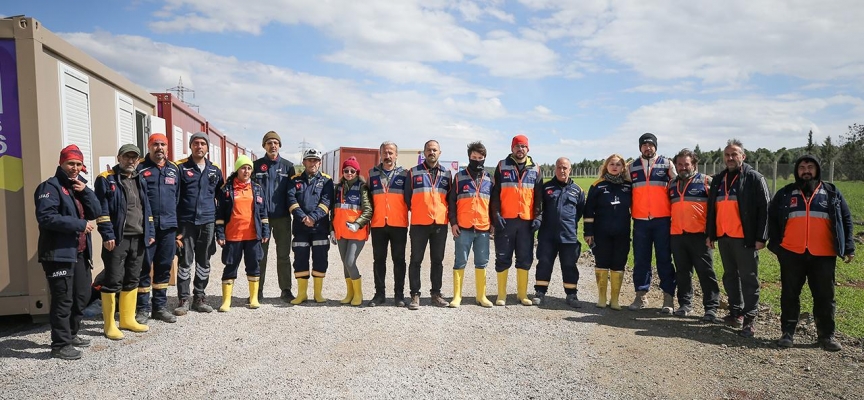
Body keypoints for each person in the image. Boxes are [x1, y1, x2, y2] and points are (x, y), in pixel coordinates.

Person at [768, 154, 855, 351]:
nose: (806, 171)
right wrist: (777, 246)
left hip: (823, 254)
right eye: (802, 168)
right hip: (791, 253)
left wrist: (849, 246)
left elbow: (846, 219)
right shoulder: (785, 193)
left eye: (810, 167)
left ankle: (826, 336)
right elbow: (771, 218)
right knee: (789, 295)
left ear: (817, 170)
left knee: (825, 296)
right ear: (796, 171)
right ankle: (787, 333)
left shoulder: (832, 193)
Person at [34, 145, 101, 359]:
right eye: (70, 163)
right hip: (58, 254)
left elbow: (97, 212)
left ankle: (71, 334)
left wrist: (87, 191)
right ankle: (60, 345)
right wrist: (79, 224)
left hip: (79, 253)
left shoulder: (77, 187)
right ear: (61, 163)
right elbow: (46, 217)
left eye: (78, 164)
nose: (74, 168)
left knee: (82, 295)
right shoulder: (50, 187)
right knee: (63, 299)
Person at [706, 139, 770, 338]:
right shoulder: (719, 179)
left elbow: (765, 209)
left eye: (734, 154)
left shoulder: (754, 178)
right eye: (727, 155)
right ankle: (736, 312)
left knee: (749, 279)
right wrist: (711, 234)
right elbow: (711, 209)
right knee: (730, 276)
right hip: (724, 237)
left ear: (743, 156)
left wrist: (762, 237)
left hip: (745, 238)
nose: (730, 158)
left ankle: (750, 319)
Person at [95, 144, 155, 340]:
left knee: (133, 278)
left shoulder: (140, 178)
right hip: (117, 239)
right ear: (119, 157)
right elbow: (102, 210)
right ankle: (109, 324)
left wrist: (150, 231)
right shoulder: (106, 179)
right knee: (113, 280)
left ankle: (128, 319)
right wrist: (107, 235)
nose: (131, 161)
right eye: (127, 157)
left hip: (139, 237)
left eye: (134, 158)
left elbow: (147, 208)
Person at [668, 149, 721, 322]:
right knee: (682, 272)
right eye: (680, 164)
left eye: (687, 164)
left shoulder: (707, 181)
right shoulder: (672, 184)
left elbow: (716, 211)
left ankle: (711, 308)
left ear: (694, 164)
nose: (683, 167)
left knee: (706, 272)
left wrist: (711, 234)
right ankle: (685, 304)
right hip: (677, 235)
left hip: (700, 236)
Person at [174, 132, 224, 316]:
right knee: (185, 261)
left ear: (207, 147)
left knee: (204, 261)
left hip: (208, 222)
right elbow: (174, 196)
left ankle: (199, 297)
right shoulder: (180, 168)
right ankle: (184, 299)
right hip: (186, 223)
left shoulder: (215, 170)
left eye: (203, 143)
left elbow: (221, 197)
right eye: (196, 143)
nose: (199, 146)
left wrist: (221, 227)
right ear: (190, 146)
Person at [490, 134, 541, 306]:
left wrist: (538, 216)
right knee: (503, 257)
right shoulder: (502, 166)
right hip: (506, 221)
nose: (520, 149)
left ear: (528, 149)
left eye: (523, 146)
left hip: (526, 222)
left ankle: (522, 294)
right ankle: (502, 295)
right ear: (512, 149)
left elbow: (539, 197)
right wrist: (496, 214)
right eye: (517, 146)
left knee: (525, 257)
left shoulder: (536, 169)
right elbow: (495, 193)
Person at [628, 132, 677, 313]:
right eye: (644, 145)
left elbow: (678, 184)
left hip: (663, 220)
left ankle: (668, 298)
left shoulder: (667, 164)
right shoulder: (631, 167)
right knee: (641, 260)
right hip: (640, 221)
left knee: (664, 259)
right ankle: (641, 296)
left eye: (651, 145)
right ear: (640, 147)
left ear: (656, 146)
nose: (647, 148)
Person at [134, 133, 180, 324]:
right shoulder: (140, 168)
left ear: (167, 148)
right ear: (149, 146)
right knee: (144, 266)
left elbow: (178, 197)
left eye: (163, 144)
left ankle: (159, 307)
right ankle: (142, 309)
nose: (159, 147)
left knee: (163, 267)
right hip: (146, 227)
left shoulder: (174, 170)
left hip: (168, 227)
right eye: (155, 144)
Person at [215, 155, 270, 312]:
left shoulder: (257, 188)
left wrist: (265, 230)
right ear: (237, 169)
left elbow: (263, 213)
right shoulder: (227, 189)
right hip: (233, 236)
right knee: (230, 267)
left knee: (253, 266)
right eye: (243, 167)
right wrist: (220, 234)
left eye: (249, 168)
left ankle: (253, 298)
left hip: (253, 236)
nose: (246, 171)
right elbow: (219, 215)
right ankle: (226, 301)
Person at [404, 140, 452, 310]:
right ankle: (415, 295)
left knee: (437, 260)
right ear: (424, 153)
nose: (432, 152)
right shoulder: (413, 172)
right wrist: (420, 209)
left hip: (439, 223)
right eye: (429, 150)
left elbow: (449, 199)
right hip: (419, 223)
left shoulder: (447, 174)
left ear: (440, 152)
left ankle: (436, 294)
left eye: (435, 150)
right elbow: (407, 198)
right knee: (416, 259)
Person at [532, 157, 585, 307]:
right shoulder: (546, 188)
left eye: (565, 168)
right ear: (555, 169)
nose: (562, 171)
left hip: (568, 236)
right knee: (544, 263)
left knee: (569, 265)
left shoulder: (578, 191)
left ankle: (571, 295)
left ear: (570, 170)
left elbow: (579, 211)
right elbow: (539, 208)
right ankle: (540, 293)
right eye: (559, 167)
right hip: (547, 236)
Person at [447, 141, 494, 308]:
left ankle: (481, 296)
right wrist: (453, 223)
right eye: (474, 157)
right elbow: (451, 202)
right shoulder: (459, 177)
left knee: (482, 262)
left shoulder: (489, 178)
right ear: (469, 157)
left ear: (484, 159)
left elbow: (493, 204)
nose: (477, 160)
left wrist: (493, 224)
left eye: (480, 158)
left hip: (483, 228)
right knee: (460, 261)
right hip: (463, 228)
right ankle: (457, 297)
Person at [253, 131, 296, 302]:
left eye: (276, 143)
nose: (273, 146)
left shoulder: (288, 166)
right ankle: (258, 290)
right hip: (261, 219)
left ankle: (285, 290)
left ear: (279, 146)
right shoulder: (256, 166)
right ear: (264, 145)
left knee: (284, 255)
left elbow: (293, 192)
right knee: (260, 256)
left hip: (282, 218)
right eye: (269, 143)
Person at [584, 154, 632, 310]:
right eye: (612, 164)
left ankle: (615, 300)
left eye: (618, 164)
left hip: (622, 233)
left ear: (623, 168)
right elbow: (588, 211)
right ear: (606, 166)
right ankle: (602, 297)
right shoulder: (597, 186)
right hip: (601, 232)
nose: (615, 166)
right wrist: (588, 232)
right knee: (602, 263)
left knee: (619, 264)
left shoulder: (628, 186)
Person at [287, 148, 334, 304]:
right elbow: (291, 200)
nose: (312, 163)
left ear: (319, 163)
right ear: (304, 162)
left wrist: (313, 218)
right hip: (301, 228)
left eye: (315, 160)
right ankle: (301, 294)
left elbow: (327, 202)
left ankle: (318, 294)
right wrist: (302, 217)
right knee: (300, 259)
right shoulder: (294, 180)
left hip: (319, 227)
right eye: (309, 160)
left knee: (320, 259)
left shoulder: (327, 181)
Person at [368, 141, 410, 307]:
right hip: (378, 224)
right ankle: (379, 294)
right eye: (385, 153)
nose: (388, 156)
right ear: (380, 154)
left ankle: (399, 295)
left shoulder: (405, 175)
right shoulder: (372, 174)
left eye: (391, 153)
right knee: (379, 259)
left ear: (396, 155)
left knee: (399, 260)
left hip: (398, 224)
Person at [331, 157, 373, 306]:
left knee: (350, 261)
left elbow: (368, 210)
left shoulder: (362, 187)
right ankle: (349, 293)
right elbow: (333, 211)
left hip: (357, 232)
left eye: (352, 171)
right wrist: (332, 230)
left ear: (357, 172)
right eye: (346, 170)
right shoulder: (338, 188)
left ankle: (358, 294)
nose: (349, 173)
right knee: (344, 263)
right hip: (341, 231)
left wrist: (357, 224)